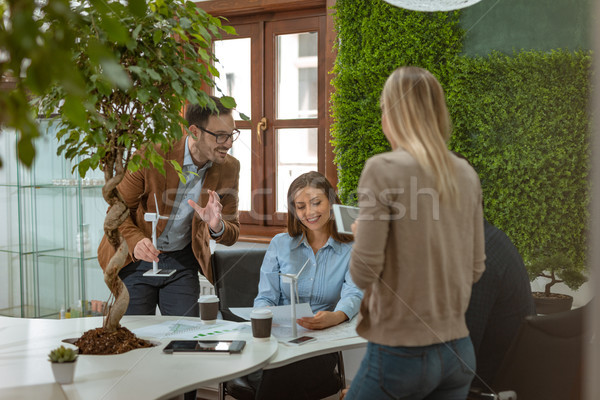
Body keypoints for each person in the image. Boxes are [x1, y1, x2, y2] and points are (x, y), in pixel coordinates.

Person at [345, 66, 486, 400]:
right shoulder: (466, 174)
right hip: (458, 354)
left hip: (400, 355)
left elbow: (363, 274)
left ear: (392, 115)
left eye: (383, 110)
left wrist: (361, 232)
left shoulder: (382, 169)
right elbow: (476, 268)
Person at [97, 96, 240, 318]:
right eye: (221, 136)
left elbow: (232, 233)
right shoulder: (151, 155)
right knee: (134, 333)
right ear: (194, 131)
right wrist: (136, 243)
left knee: (185, 337)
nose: (229, 143)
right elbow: (117, 212)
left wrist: (217, 225)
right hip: (136, 259)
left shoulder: (229, 168)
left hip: (181, 261)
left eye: (232, 135)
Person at [248, 171, 363, 399]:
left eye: (316, 203)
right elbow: (265, 298)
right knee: (278, 369)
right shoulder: (280, 244)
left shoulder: (352, 246)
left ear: (331, 201)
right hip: (277, 340)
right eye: (300, 206)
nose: (309, 213)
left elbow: (354, 292)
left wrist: (337, 315)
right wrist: (264, 316)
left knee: (281, 373)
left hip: (319, 344)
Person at [466, 218, 536, 390]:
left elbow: (457, 356)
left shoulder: (475, 259)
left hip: (481, 386)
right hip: (505, 379)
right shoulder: (489, 237)